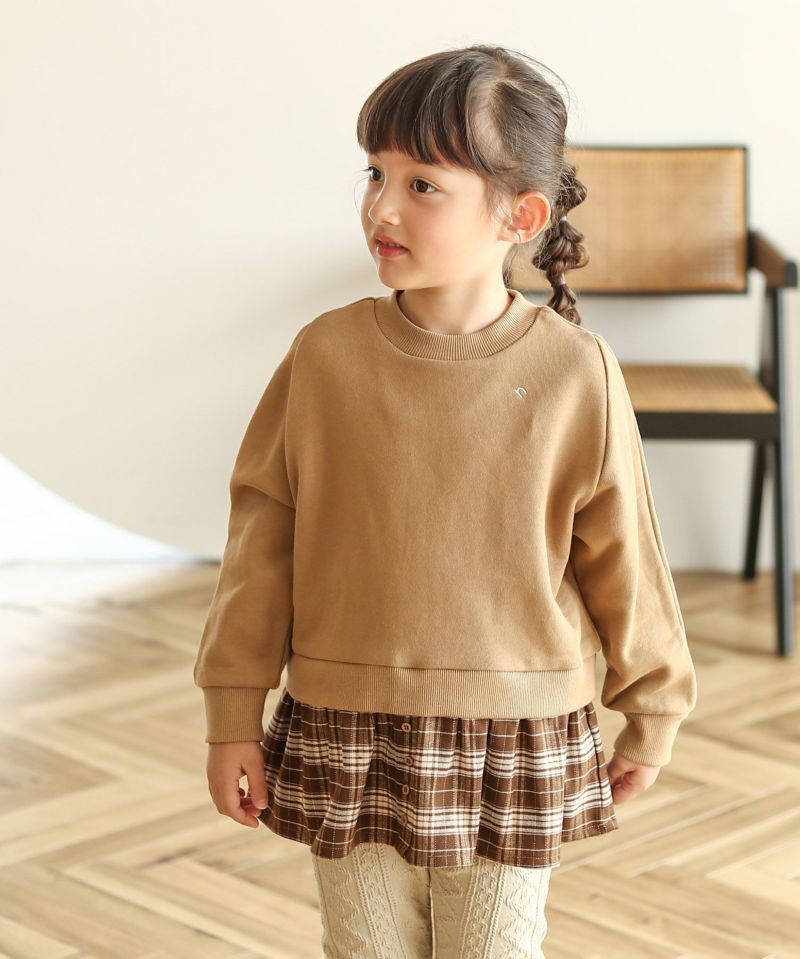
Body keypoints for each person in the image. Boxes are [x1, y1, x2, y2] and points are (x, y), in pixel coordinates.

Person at [193, 43, 698, 958]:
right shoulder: (324, 356)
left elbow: (625, 551)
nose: (381, 207)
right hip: (345, 723)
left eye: (421, 184)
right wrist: (233, 712)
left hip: (520, 732)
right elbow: (261, 541)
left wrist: (654, 710)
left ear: (521, 215)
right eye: (375, 173)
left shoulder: (575, 372)